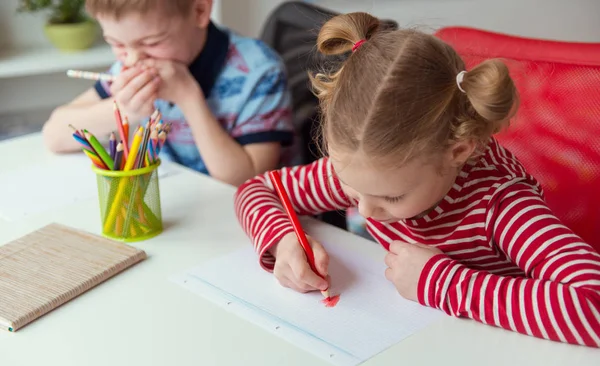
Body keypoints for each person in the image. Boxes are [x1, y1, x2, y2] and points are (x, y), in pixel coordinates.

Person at [233, 12, 600, 347]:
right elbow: (259, 190)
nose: (367, 210)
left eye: (392, 198)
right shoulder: (368, 173)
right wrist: (282, 242)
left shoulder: (500, 205)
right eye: (353, 189)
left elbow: (592, 302)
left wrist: (440, 283)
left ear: (457, 151)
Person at [42, 0, 294, 186]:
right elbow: (55, 136)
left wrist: (188, 97)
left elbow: (245, 180)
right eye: (117, 44)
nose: (132, 59)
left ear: (199, 11)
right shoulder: (130, 65)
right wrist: (123, 109)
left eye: (151, 43)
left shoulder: (259, 71)